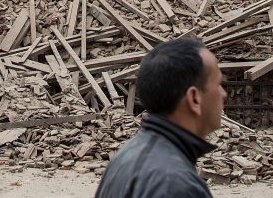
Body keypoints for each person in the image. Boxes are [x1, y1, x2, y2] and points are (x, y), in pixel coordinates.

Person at [95, 37, 227, 198]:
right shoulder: (176, 185)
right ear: (194, 98)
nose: (223, 94)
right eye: (219, 84)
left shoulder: (124, 157)